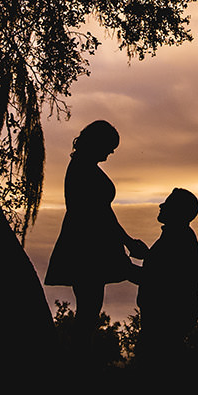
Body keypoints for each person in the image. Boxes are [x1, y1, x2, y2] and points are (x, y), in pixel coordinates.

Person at [44, 120, 146, 325]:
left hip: (95, 240)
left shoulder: (84, 166)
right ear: (98, 143)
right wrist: (127, 241)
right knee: (89, 312)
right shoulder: (83, 169)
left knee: (89, 311)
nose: (111, 153)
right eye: (110, 147)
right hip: (88, 244)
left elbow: (103, 211)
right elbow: (99, 212)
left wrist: (127, 241)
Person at [136, 187, 198, 363]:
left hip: (164, 321)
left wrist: (123, 267)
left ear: (177, 210)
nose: (161, 205)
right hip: (171, 318)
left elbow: (157, 279)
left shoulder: (177, 239)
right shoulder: (180, 237)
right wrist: (148, 257)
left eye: (167, 203)